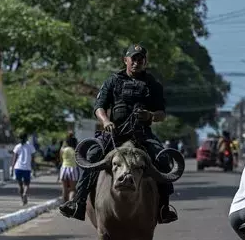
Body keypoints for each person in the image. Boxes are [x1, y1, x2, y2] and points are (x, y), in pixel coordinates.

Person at [58, 43, 178, 223]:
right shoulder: (113, 80)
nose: (137, 62)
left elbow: (161, 114)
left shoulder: (153, 84)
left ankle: (164, 209)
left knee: (163, 160)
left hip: (142, 134)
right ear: (126, 60)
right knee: (92, 156)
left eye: (140, 59)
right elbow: (99, 107)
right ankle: (78, 203)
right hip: (114, 133)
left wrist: (150, 115)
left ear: (145, 62)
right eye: (133, 59)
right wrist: (106, 121)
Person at [11, 133, 36, 205]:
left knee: (20, 185)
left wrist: (12, 169)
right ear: (26, 138)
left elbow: (14, 159)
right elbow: (33, 159)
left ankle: (23, 200)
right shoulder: (30, 146)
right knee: (27, 184)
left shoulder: (17, 146)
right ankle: (25, 193)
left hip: (18, 168)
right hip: (27, 168)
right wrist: (34, 169)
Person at [59, 136, 79, 202]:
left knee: (64, 189)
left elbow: (61, 160)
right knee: (72, 189)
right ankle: (70, 204)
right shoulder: (76, 150)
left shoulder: (62, 150)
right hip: (73, 169)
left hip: (64, 168)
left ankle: (64, 204)